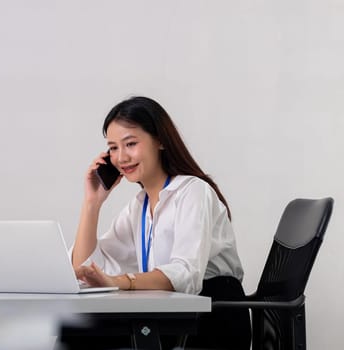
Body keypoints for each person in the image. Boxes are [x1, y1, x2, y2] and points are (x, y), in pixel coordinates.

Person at [64, 96, 251, 350]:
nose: (121, 157)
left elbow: (186, 273)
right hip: (171, 315)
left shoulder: (194, 191)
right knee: (74, 332)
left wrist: (119, 282)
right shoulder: (139, 206)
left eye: (130, 144)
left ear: (160, 140)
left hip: (211, 317)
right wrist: (92, 204)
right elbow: (84, 270)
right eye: (113, 148)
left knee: (84, 337)